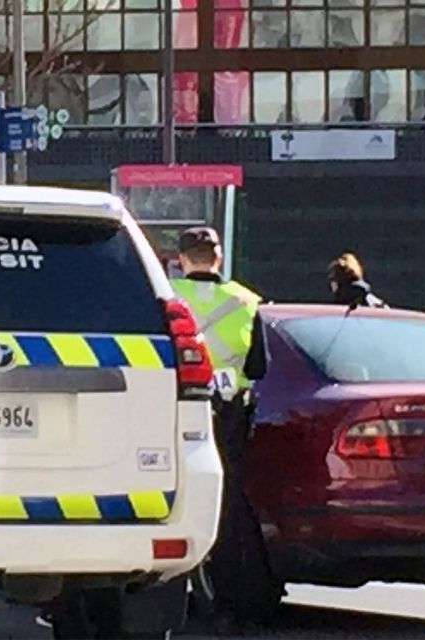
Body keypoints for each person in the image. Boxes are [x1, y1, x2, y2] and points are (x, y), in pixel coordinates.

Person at [169, 227, 275, 630]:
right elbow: (258, 368)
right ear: (218, 258)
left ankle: (175, 597)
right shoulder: (246, 301)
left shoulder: (166, 296)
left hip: (171, 410)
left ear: (181, 259)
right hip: (228, 415)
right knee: (224, 505)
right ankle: (228, 603)